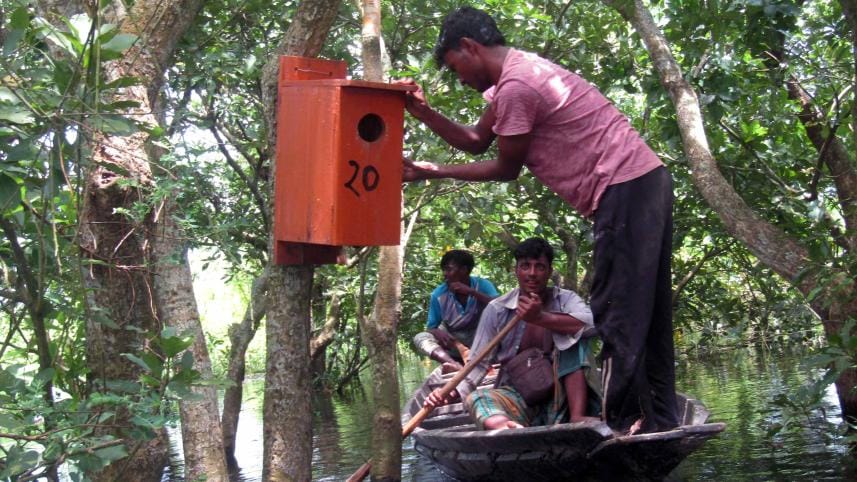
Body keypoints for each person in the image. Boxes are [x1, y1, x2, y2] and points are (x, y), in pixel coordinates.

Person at [400, 7, 678, 434]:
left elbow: (505, 168)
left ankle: (626, 424)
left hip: (625, 188)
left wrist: (430, 170)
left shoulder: (518, 85)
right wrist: (422, 112)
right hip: (645, 183)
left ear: (469, 48)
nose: (461, 80)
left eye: (458, 69)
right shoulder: (520, 72)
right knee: (647, 310)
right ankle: (657, 418)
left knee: (619, 311)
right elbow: (477, 141)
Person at [424, 238, 596, 429]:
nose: (532, 273)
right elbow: (477, 364)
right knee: (478, 398)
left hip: (565, 396)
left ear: (549, 271)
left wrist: (540, 318)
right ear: (516, 271)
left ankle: (578, 416)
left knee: (575, 338)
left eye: (539, 267)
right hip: (520, 395)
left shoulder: (566, 299)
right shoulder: (497, 309)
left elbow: (591, 325)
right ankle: (508, 429)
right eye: (525, 266)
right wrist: (450, 392)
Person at [413, 249, 499, 372]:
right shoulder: (438, 294)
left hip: (482, 340)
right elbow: (431, 327)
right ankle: (453, 365)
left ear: (464, 270)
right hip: (455, 344)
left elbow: (500, 307)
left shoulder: (482, 285)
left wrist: (471, 292)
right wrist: (438, 332)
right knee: (420, 338)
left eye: (449, 269)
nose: (445, 274)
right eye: (444, 270)